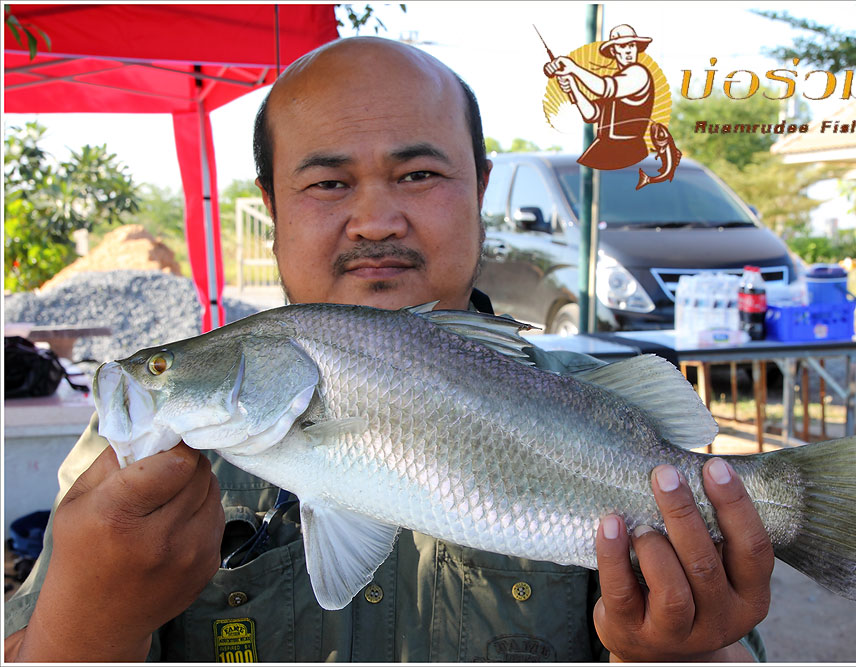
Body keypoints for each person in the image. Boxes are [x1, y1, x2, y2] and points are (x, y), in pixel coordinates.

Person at [4, 36, 772, 662]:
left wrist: (679, 652)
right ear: (270, 206)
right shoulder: (136, 456)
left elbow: (705, 636)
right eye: (329, 184)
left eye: (418, 172)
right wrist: (91, 616)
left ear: (480, 187)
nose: (375, 219)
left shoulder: (599, 398)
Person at [543, 24, 655, 170]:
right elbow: (591, 114)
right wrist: (573, 85)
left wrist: (573, 68)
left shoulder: (638, 73)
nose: (628, 51)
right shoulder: (619, 80)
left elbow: (603, 88)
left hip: (628, 151)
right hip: (605, 147)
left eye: (632, 45)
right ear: (614, 50)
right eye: (622, 46)